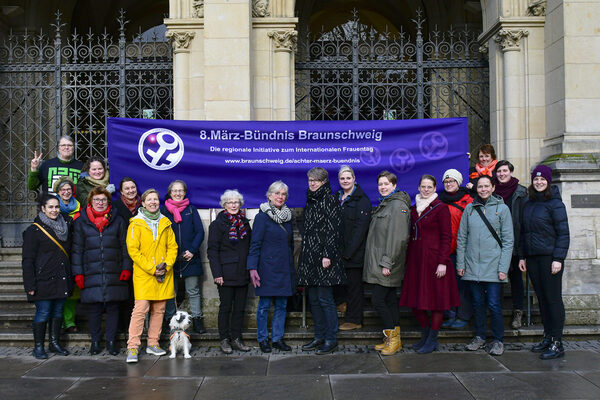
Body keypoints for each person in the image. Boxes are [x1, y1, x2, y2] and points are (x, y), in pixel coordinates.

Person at [399, 174, 459, 354]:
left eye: (429, 187)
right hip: (416, 260)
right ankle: (425, 334)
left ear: (434, 189)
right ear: (418, 187)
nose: (426, 190)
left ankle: (433, 338)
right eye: (423, 186)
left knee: (436, 302)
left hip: (434, 261)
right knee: (415, 301)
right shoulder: (413, 209)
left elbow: (446, 237)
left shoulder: (441, 208)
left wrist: (443, 262)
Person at [456, 175, 514, 356]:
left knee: (494, 305)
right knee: (478, 304)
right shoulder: (469, 210)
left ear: (493, 187)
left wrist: (503, 268)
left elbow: (508, 241)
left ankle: (498, 340)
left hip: (494, 268)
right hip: (473, 266)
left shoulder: (502, 209)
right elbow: (462, 238)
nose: (483, 189)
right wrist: (461, 263)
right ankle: (480, 336)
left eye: (486, 186)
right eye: (480, 186)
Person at [71, 186, 132, 356]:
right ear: (91, 201)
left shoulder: (117, 220)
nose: (100, 203)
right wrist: (78, 273)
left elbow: (125, 247)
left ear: (108, 202)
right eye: (97, 200)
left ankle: (112, 342)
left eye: (103, 200)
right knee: (94, 308)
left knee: (113, 307)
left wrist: (126, 268)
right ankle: (95, 341)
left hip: (114, 270)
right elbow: (77, 250)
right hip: (91, 271)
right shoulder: (81, 221)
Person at [519, 165, 570, 359]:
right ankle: (548, 337)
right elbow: (524, 232)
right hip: (533, 258)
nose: (539, 182)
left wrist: (558, 258)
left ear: (548, 182)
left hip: (550, 259)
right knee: (542, 299)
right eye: (535, 179)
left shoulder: (555, 203)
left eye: (542, 179)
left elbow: (563, 234)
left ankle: (557, 343)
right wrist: (522, 256)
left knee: (553, 299)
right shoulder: (529, 202)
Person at [125, 189, 178, 363]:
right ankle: (133, 347)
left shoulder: (166, 222)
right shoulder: (136, 223)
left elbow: (173, 248)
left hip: (163, 273)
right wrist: (151, 268)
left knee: (159, 310)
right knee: (140, 310)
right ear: (143, 203)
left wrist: (167, 266)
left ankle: (153, 343)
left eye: (156, 199)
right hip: (144, 274)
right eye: (150, 200)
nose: (153, 202)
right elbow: (134, 251)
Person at [298, 167, 345, 355]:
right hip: (310, 256)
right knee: (314, 299)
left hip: (325, 258)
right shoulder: (311, 199)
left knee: (325, 299)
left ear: (324, 182)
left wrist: (327, 254)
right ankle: (319, 336)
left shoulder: (329, 200)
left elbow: (334, 230)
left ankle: (331, 339)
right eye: (310, 179)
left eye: (316, 180)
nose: (312, 183)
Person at [364, 171, 410, 355]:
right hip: (381, 263)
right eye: (380, 184)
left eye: (386, 184)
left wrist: (387, 263)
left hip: (387, 264)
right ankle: (393, 339)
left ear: (394, 185)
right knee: (390, 300)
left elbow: (397, 238)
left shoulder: (397, 206)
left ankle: (393, 338)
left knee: (378, 299)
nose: (383, 187)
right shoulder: (387, 203)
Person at [22, 194, 73, 359]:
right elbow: (27, 260)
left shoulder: (65, 225)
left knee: (58, 311)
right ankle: (38, 346)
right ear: (43, 209)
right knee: (43, 312)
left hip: (61, 277)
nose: (54, 210)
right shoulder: (33, 230)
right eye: (50, 207)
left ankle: (54, 342)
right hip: (43, 279)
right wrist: (29, 284)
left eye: (56, 207)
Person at [247, 182, 296, 353]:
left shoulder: (288, 216)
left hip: (284, 268)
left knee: (282, 305)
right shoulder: (261, 217)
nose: (280, 196)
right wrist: (252, 268)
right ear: (269, 196)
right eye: (277, 193)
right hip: (266, 268)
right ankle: (262, 339)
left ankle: (277, 339)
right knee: (264, 306)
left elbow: (290, 244)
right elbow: (255, 244)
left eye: (283, 194)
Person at [208, 189, 252, 354]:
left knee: (240, 308)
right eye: (230, 202)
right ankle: (224, 339)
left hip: (242, 272)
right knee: (226, 307)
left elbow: (249, 247)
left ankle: (236, 338)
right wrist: (217, 273)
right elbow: (212, 251)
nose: (233, 205)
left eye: (236, 202)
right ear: (224, 205)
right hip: (225, 274)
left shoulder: (245, 223)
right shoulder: (217, 224)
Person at [161, 180, 206, 334]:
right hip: (170, 259)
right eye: (175, 190)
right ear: (170, 192)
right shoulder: (163, 212)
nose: (178, 193)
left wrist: (192, 250)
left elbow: (200, 232)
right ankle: (170, 321)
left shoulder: (191, 210)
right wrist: (168, 255)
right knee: (169, 292)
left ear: (185, 192)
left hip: (190, 258)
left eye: (181, 190)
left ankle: (197, 320)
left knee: (193, 291)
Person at [335, 166, 371, 331]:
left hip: (354, 255)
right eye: (342, 178)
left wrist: (348, 253)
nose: (345, 181)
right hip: (339, 253)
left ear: (354, 178)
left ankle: (354, 320)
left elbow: (360, 230)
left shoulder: (361, 200)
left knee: (355, 288)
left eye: (348, 178)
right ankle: (343, 305)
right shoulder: (338, 197)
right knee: (342, 285)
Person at [493, 160, 528, 329]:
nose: (502, 174)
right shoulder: (491, 192)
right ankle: (496, 313)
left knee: (516, 280)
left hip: (515, 242)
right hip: (495, 244)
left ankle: (518, 312)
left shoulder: (521, 192)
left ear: (511, 172)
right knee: (496, 280)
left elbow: (524, 220)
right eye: (499, 171)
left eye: (505, 170)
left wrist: (522, 251)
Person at [439, 169, 473, 330]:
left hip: (463, 250)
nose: (449, 184)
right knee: (448, 285)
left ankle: (463, 315)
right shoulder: (439, 200)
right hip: (445, 250)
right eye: (446, 181)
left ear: (458, 183)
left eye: (452, 181)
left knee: (462, 285)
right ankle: (450, 314)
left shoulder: (468, 201)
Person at [111, 177, 141, 332]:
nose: (131, 191)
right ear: (121, 191)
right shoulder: (115, 207)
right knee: (125, 293)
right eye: (127, 188)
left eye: (133, 187)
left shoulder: (144, 205)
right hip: (122, 255)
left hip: (142, 255)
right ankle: (124, 328)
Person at [53, 177, 82, 334]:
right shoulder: (52, 208)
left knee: (73, 292)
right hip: (57, 255)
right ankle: (58, 322)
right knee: (59, 289)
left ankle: (69, 321)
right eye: (63, 190)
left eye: (69, 189)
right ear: (58, 192)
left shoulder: (79, 207)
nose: (66, 192)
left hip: (74, 253)